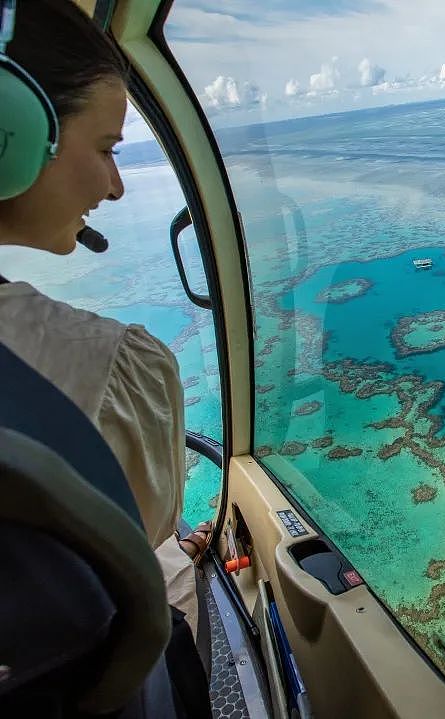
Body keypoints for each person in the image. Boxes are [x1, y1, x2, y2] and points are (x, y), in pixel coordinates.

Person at [0, 0, 212, 638]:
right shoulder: (106, 369)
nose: (117, 187)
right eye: (107, 148)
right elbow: (143, 528)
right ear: (8, 129)